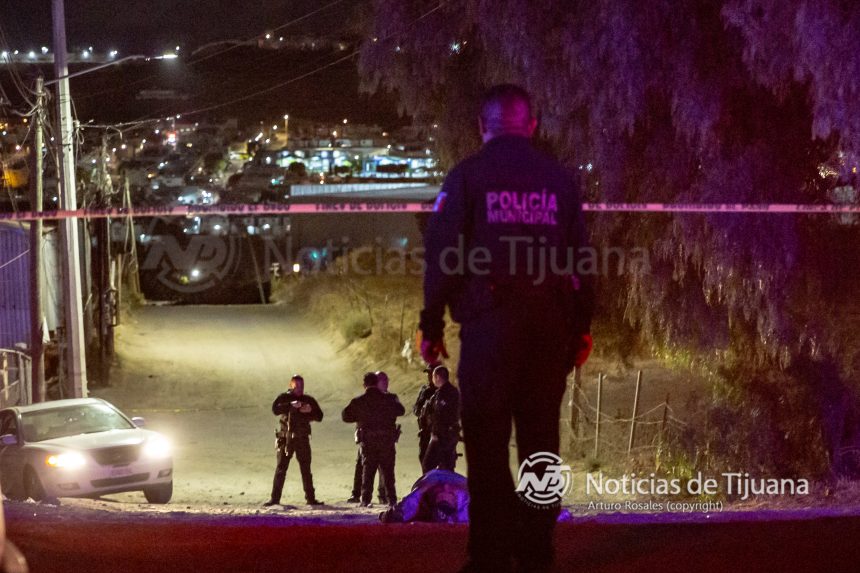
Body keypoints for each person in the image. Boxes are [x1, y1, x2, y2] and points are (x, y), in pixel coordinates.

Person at [419, 84, 594, 572]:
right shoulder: (558, 180)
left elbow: (442, 253)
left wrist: (430, 323)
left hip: (488, 329)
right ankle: (538, 552)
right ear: (533, 125)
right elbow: (582, 257)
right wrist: (581, 325)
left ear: (482, 126)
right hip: (547, 328)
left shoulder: (468, 177)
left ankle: (490, 555)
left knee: (486, 445)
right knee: (542, 443)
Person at [342, 372, 406, 507]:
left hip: (368, 442)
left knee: (368, 472)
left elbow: (345, 416)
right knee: (388, 472)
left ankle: (365, 499)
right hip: (386, 441)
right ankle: (392, 500)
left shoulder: (359, 401)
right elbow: (401, 410)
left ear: (364, 385)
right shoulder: (389, 399)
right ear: (377, 383)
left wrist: (360, 417)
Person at [264, 374, 324, 507]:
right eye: (297, 386)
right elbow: (275, 409)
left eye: (302, 386)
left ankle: (311, 498)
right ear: (291, 385)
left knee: (306, 469)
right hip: (286, 439)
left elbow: (320, 416)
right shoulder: (284, 398)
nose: (300, 389)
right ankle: (274, 499)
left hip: (302, 439)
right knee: (281, 469)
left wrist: (309, 410)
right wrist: (290, 405)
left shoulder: (308, 399)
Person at [420, 366, 460, 473]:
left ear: (437, 377)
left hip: (442, 437)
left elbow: (441, 415)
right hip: (447, 435)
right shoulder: (446, 392)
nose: (432, 379)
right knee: (446, 465)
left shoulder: (446, 393)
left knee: (428, 465)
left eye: (433, 376)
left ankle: (435, 488)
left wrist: (436, 433)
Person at [412, 363, 438, 470]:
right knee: (424, 459)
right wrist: (423, 411)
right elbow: (416, 409)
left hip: (440, 433)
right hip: (425, 432)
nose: (429, 376)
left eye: (431, 373)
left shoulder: (445, 391)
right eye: (428, 373)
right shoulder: (425, 390)